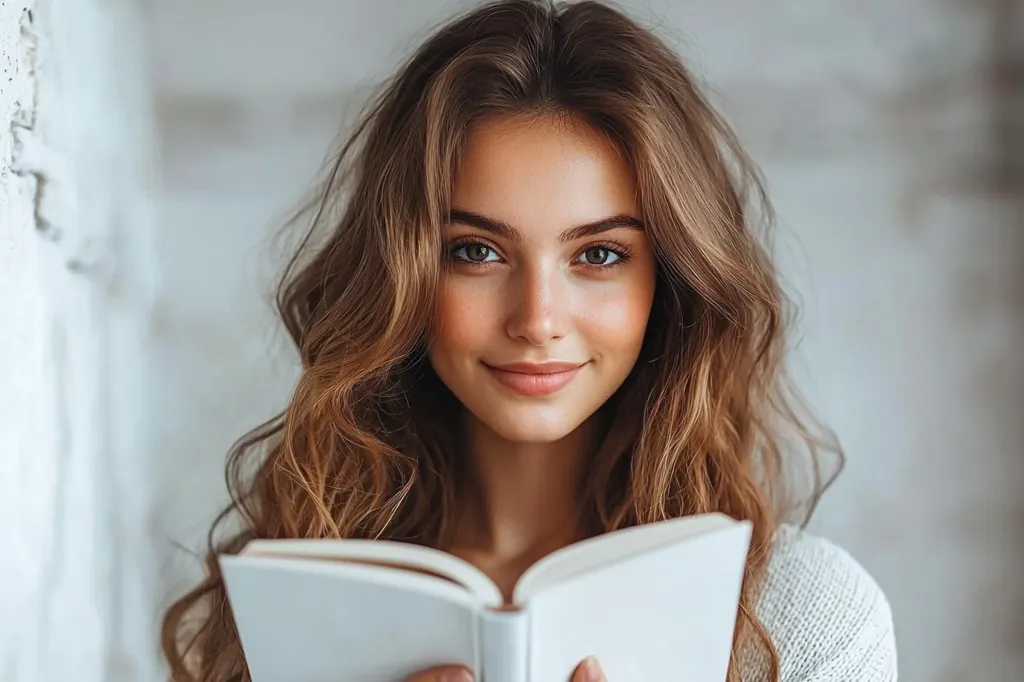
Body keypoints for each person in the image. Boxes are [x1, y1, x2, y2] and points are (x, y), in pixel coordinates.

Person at [161, 1, 897, 680]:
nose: (538, 318)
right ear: (402, 276)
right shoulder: (279, 615)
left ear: (668, 283)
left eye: (599, 255)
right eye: (476, 251)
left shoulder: (808, 620)